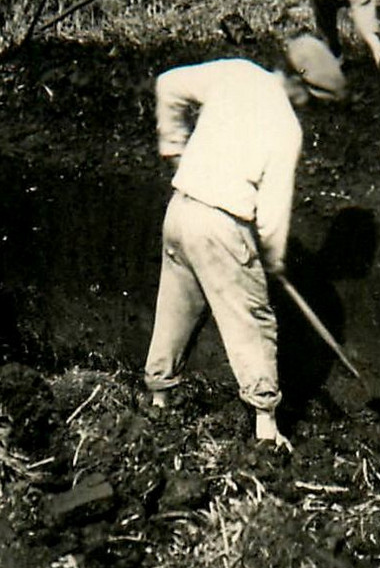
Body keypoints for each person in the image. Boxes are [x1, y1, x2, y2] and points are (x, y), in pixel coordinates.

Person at [144, 35, 347, 450]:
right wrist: (271, 258)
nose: (309, 108)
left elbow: (168, 84)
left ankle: (158, 401)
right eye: (312, 99)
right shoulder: (287, 128)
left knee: (176, 307)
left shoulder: (235, 72)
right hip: (222, 226)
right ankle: (266, 431)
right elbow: (273, 212)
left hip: (180, 211)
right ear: (301, 86)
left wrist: (174, 150)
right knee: (253, 321)